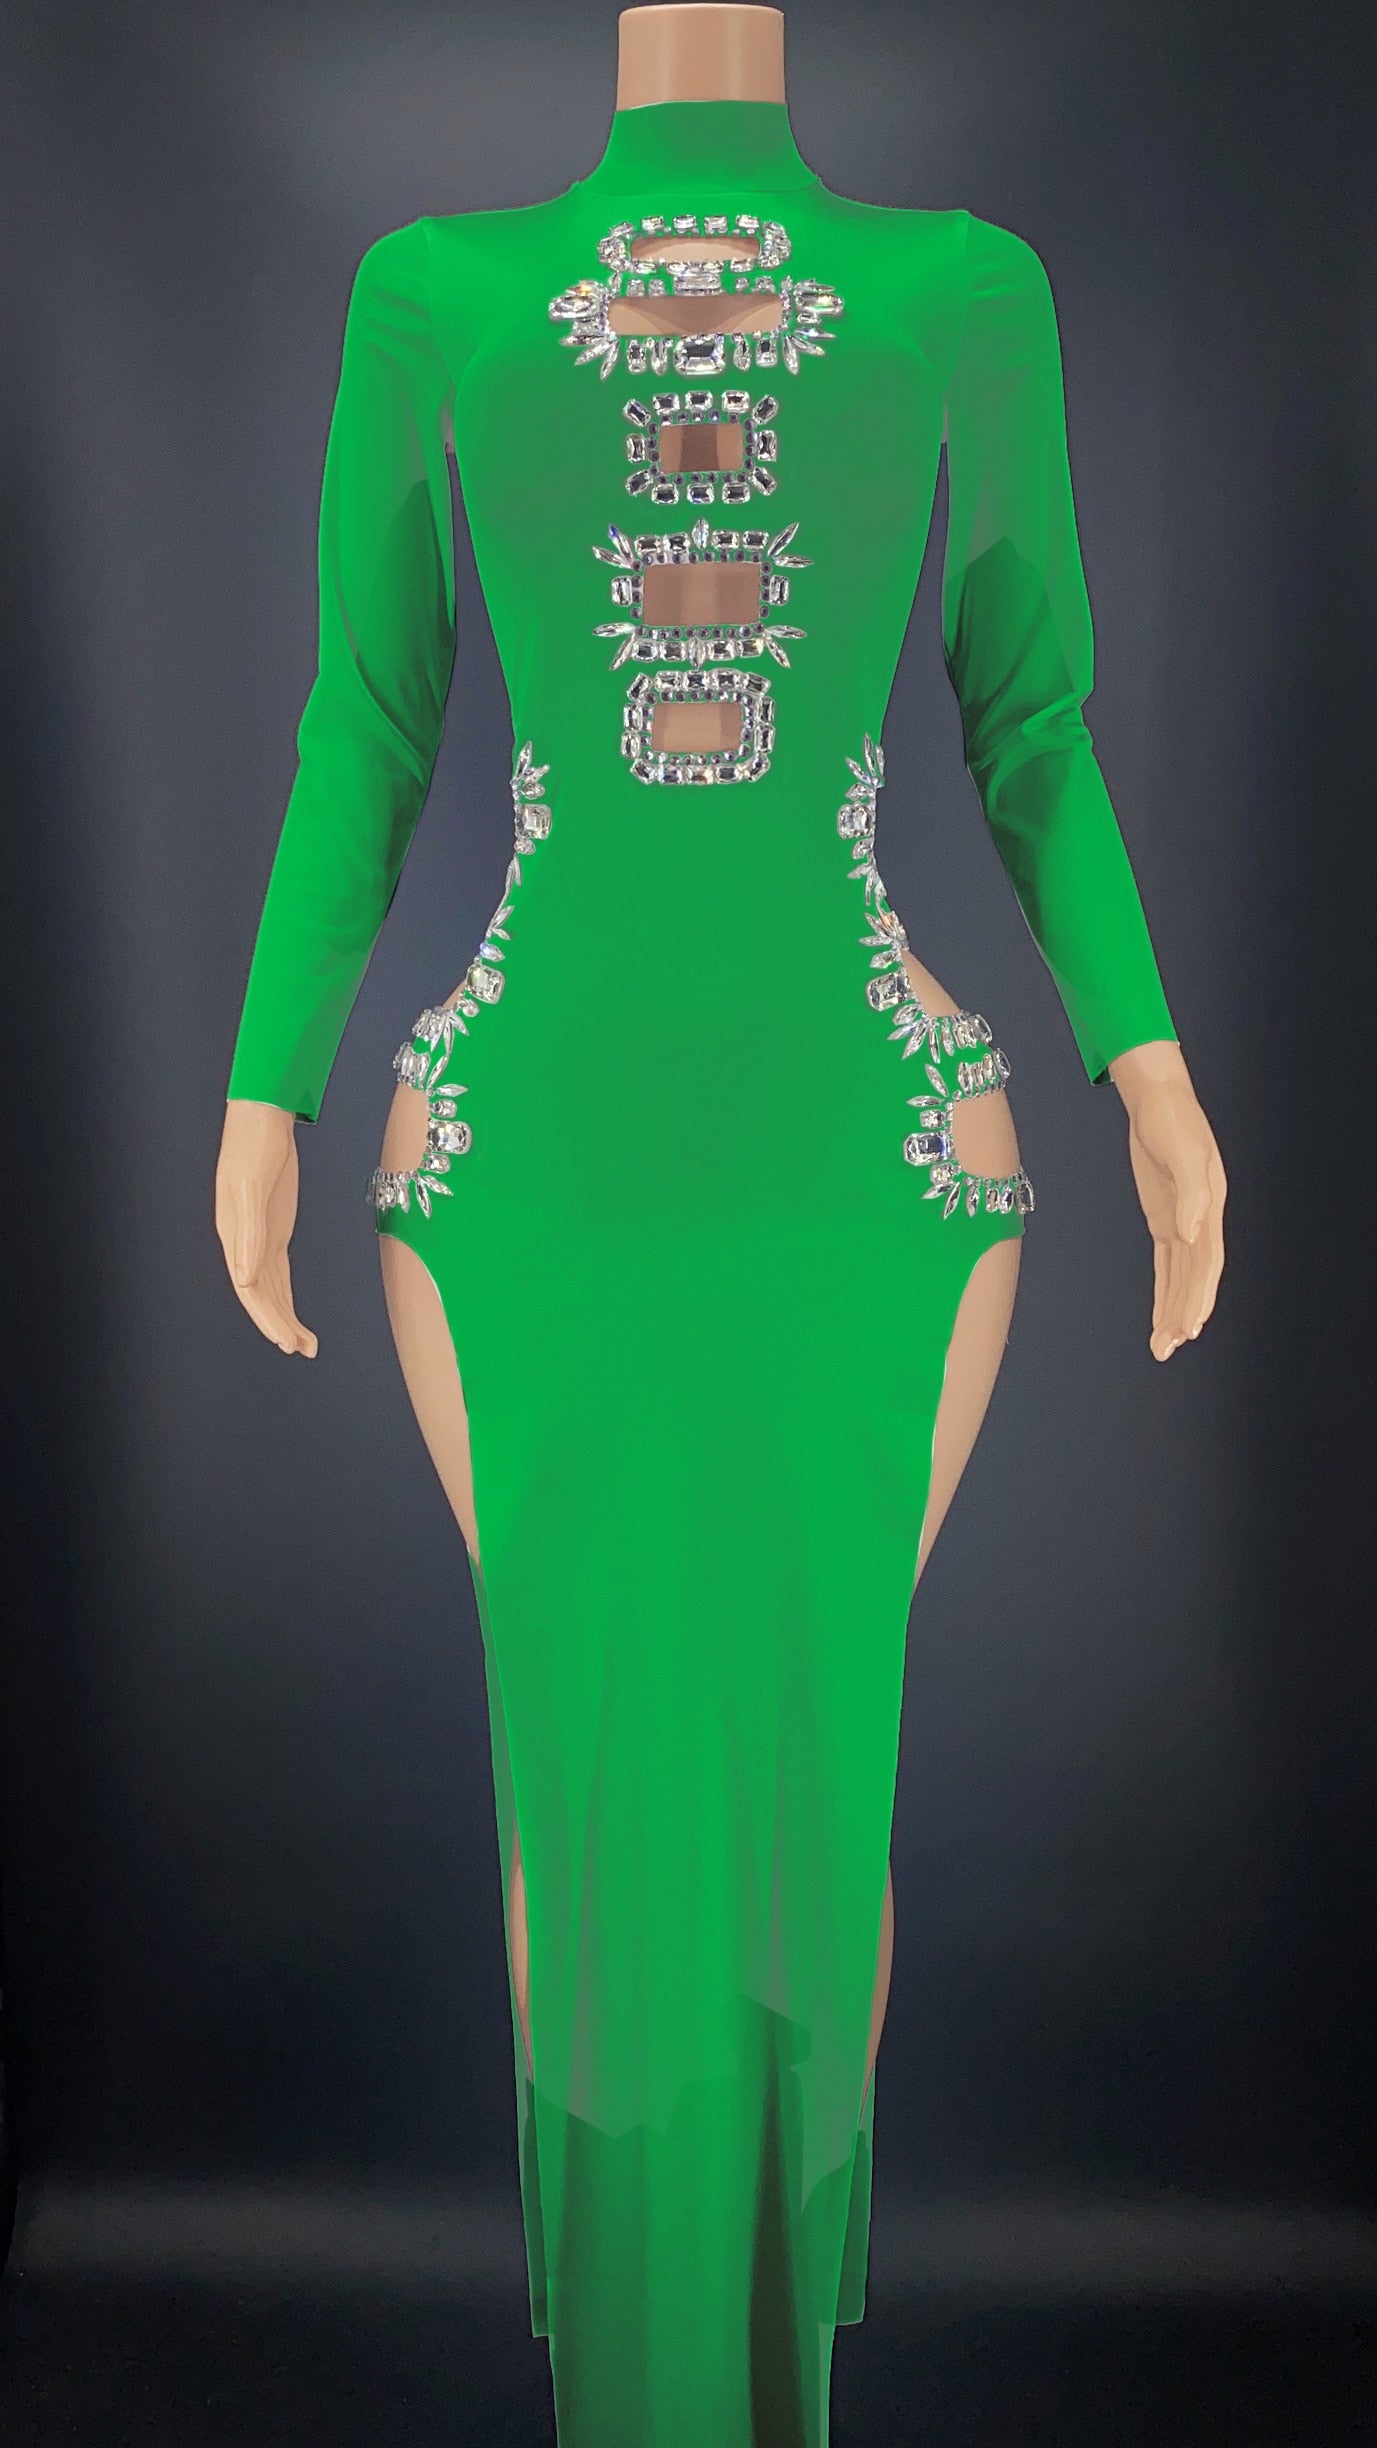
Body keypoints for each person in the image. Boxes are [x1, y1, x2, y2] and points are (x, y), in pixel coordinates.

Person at [214, 9, 1226, 2442]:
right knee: (585, 1797)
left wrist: (1148, 1065)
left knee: (807, 1786)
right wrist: (263, 1079)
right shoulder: (434, 294)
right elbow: (367, 717)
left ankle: (767, 2396)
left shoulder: (959, 289)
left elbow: (1027, 722)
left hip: (859, 1163)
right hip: (529, 1167)